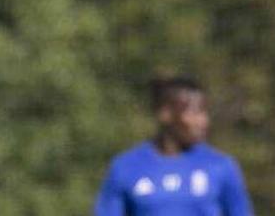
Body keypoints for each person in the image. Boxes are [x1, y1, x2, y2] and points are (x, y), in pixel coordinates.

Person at [94, 76, 254, 216]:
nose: (203, 121)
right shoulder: (125, 167)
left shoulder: (220, 166)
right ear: (165, 113)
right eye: (194, 112)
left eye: (204, 112)